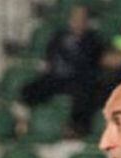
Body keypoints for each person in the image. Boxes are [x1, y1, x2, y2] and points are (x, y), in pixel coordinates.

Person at [20, 5, 104, 137]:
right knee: (30, 89)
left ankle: (76, 129)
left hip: (79, 79)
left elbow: (92, 63)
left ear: (87, 21)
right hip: (57, 77)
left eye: (82, 18)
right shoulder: (58, 37)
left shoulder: (93, 41)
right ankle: (23, 122)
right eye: (76, 18)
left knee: (87, 94)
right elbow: (50, 59)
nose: (78, 22)